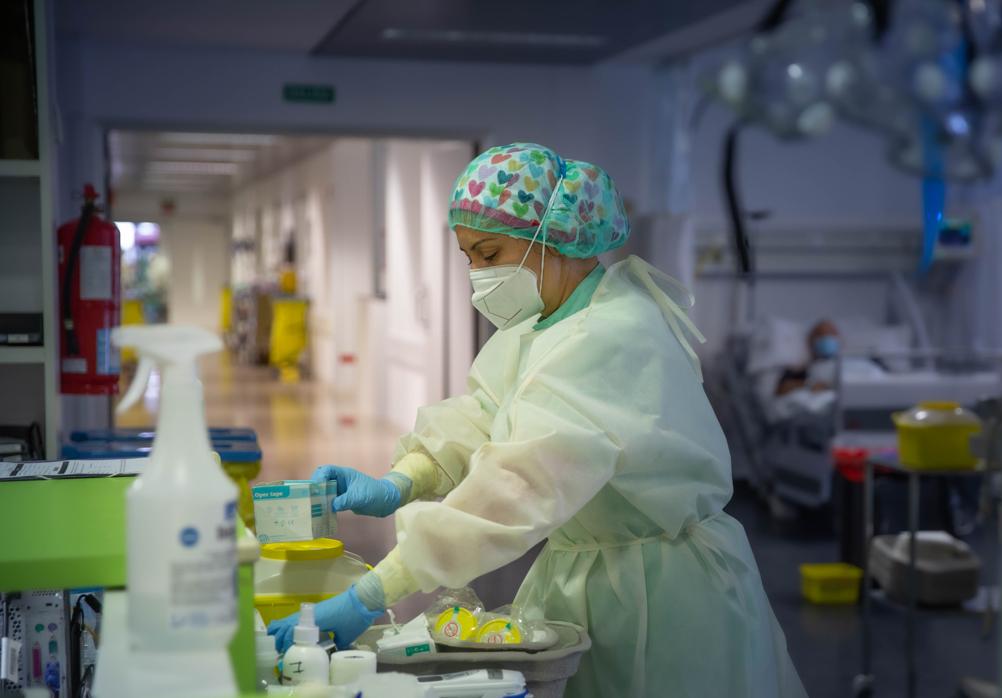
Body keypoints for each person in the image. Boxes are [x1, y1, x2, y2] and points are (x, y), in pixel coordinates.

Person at [267, 143, 807, 697]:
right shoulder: (542, 324)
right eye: (468, 256)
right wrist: (401, 480)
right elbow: (484, 414)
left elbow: (517, 485)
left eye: (491, 252)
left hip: (662, 590)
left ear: (556, 238)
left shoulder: (609, 334)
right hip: (594, 575)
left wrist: (373, 594)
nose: (478, 273)